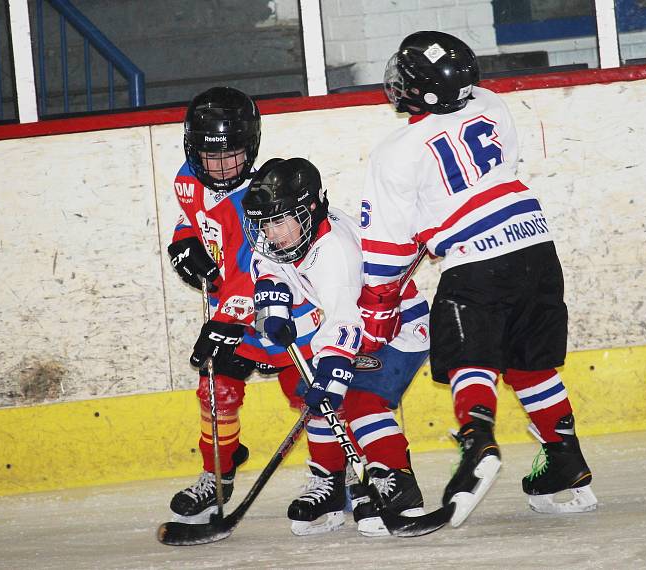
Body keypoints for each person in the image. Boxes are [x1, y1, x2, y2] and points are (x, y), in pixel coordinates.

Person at [358, 30, 598, 527]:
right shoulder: (492, 103)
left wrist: (378, 308)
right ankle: (565, 459)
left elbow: (387, 250)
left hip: (478, 261)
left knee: (471, 355)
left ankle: (476, 442)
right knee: (528, 362)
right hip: (536, 243)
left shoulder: (395, 152)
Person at [241, 157, 432, 536]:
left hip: (396, 330)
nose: (271, 234)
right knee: (312, 392)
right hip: (356, 326)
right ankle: (330, 486)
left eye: (280, 221)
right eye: (266, 223)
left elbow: (343, 323)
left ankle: (396, 484)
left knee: (358, 400)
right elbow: (268, 264)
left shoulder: (335, 255)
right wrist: (274, 300)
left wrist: (332, 373)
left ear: (310, 209)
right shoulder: (294, 236)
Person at [166, 86, 320, 524]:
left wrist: (224, 322)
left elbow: (254, 268)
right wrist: (183, 244)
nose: (218, 167)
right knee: (217, 390)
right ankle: (218, 473)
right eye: (209, 157)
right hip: (230, 308)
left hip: (279, 307)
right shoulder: (186, 179)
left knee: (308, 391)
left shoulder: (261, 198)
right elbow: (191, 221)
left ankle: (334, 473)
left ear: (250, 146)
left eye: (230, 155)